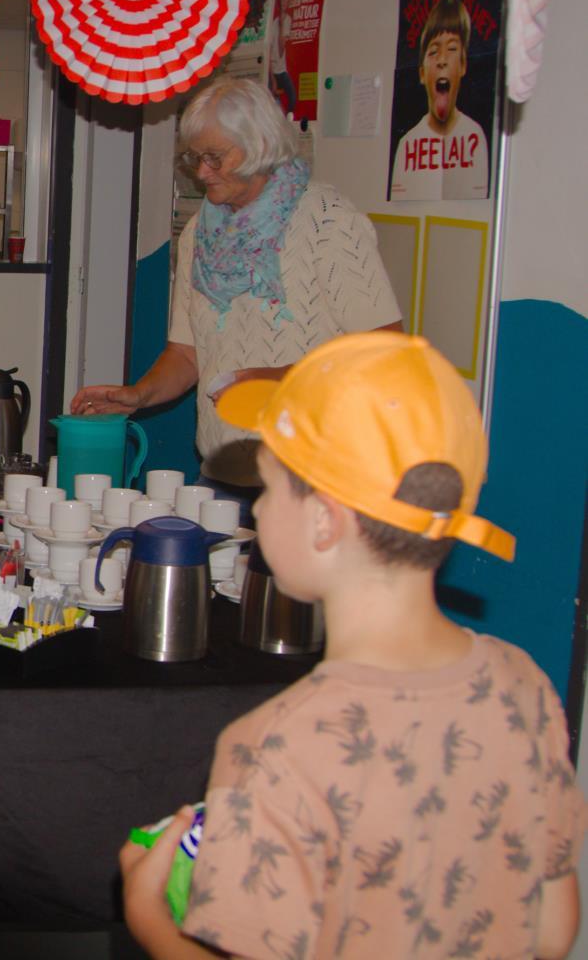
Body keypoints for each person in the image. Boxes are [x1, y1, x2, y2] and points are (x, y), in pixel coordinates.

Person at [119, 331, 584, 959]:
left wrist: (149, 915)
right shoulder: (523, 686)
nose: (258, 511)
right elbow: (552, 932)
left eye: (268, 487)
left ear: (324, 521)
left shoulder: (275, 744)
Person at [71, 77, 402, 494]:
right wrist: (139, 395)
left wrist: (279, 379)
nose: (202, 172)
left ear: (260, 145)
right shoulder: (199, 233)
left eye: (215, 157)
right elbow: (187, 353)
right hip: (224, 471)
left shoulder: (326, 220)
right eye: (195, 158)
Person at [390, 0, 490, 202]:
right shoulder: (407, 143)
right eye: (434, 51)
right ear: (422, 73)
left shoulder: (475, 136)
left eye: (452, 49)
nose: (442, 60)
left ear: (463, 65)